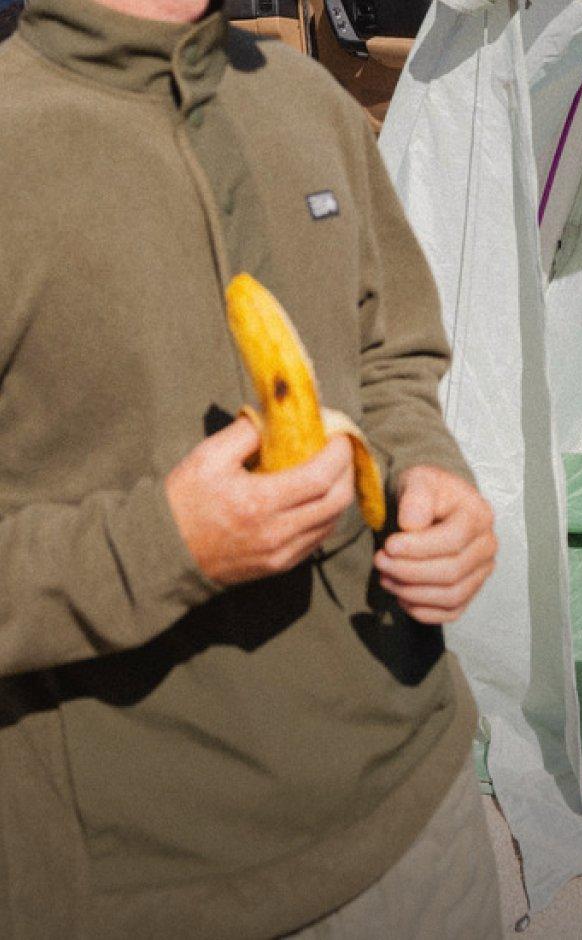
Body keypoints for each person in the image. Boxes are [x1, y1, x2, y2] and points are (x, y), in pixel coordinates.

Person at [0, 0, 502, 936]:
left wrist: (430, 480)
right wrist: (165, 544)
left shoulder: (308, 100)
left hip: (422, 817)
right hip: (150, 888)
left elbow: (389, 356)